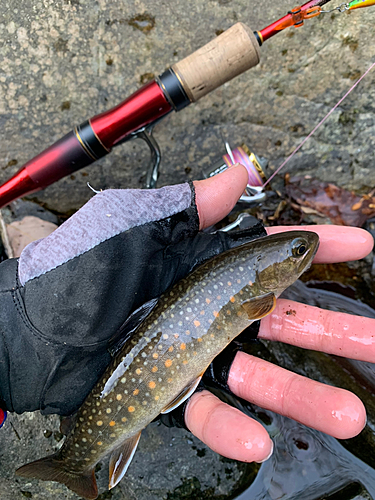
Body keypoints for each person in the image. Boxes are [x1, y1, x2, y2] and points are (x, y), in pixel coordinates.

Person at [0, 164, 373, 465]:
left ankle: (76, 461)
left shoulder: (258, 291)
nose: (304, 251)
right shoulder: (259, 297)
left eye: (295, 251)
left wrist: (10, 339)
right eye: (297, 251)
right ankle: (73, 464)